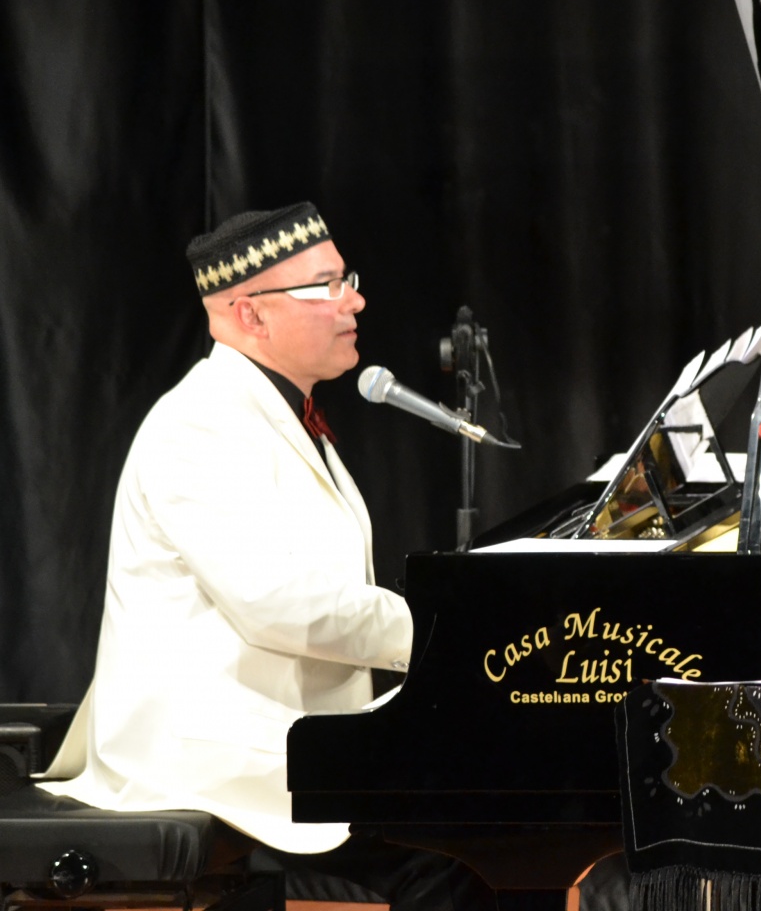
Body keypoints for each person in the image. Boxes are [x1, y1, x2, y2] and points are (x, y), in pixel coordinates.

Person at [42, 203, 493, 911]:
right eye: (328, 286)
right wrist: (449, 634)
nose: (355, 301)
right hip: (208, 746)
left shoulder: (272, 411)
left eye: (348, 279)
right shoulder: (199, 423)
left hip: (274, 730)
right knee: (452, 854)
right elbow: (279, 603)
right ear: (251, 314)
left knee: (479, 819)